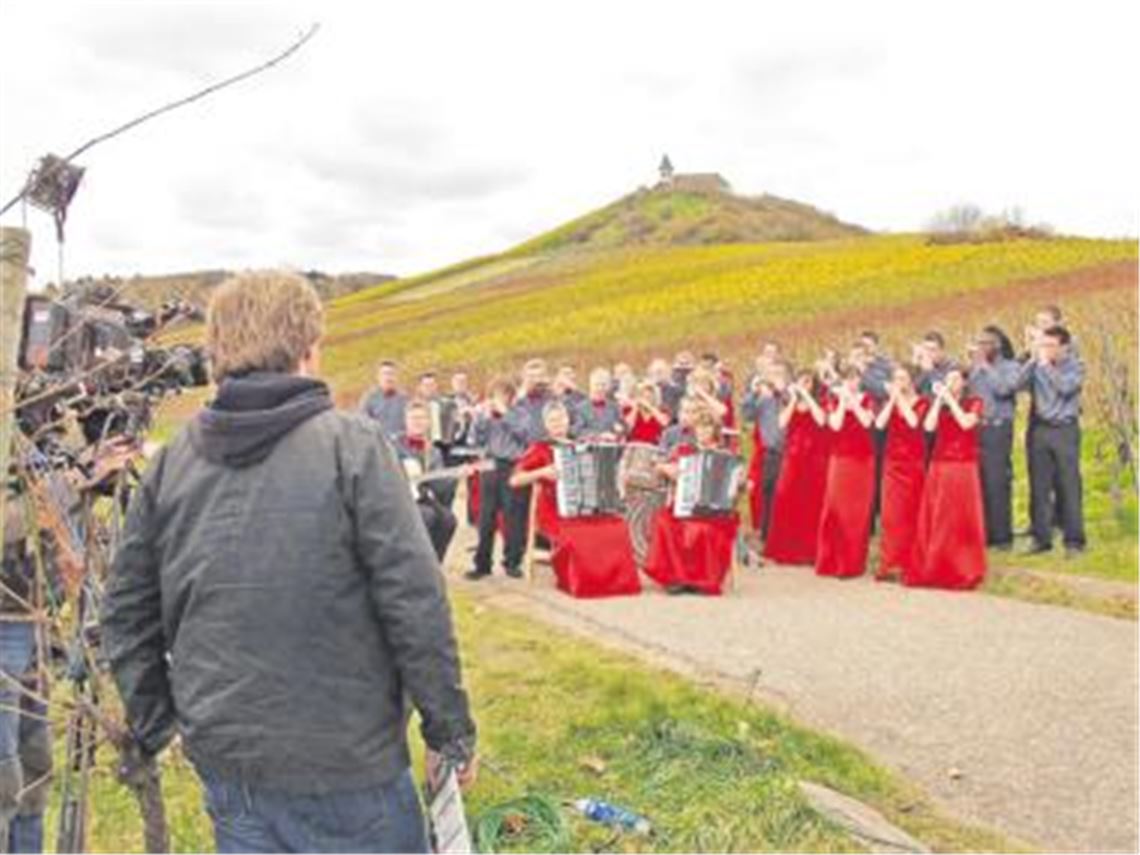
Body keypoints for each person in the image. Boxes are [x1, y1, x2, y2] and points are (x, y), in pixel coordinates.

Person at [102, 271, 477, 854]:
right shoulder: (353, 446)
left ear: (219, 351)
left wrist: (162, 723)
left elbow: (125, 612)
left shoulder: (171, 461)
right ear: (308, 348)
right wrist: (450, 732)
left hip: (233, 761)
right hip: (350, 765)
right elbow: (416, 603)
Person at [510, 403, 640, 598]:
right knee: (578, 534)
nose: (558, 424)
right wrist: (541, 472)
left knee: (616, 526)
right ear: (545, 424)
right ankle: (584, 584)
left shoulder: (582, 445)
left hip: (589, 506)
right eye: (553, 421)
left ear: (568, 420)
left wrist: (619, 477)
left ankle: (614, 583)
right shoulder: (540, 448)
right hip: (555, 510)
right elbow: (514, 480)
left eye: (561, 419)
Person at [1, 490, 53, 854]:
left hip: (33, 617)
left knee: (35, 767)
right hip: (4, 621)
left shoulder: (39, 433)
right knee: (3, 777)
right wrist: (70, 485)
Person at [645, 411, 740, 595]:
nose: (703, 432)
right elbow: (657, 466)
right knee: (664, 522)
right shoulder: (683, 451)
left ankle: (702, 581)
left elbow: (740, 483)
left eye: (707, 427)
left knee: (703, 530)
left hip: (715, 511)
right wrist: (666, 468)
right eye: (700, 428)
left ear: (715, 431)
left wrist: (741, 480)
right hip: (685, 505)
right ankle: (676, 579)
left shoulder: (726, 455)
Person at [908, 368, 987, 589]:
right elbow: (928, 426)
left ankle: (961, 565)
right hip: (940, 464)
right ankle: (935, 563)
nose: (950, 382)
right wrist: (938, 401)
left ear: (963, 383)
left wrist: (951, 401)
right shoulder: (941, 404)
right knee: (939, 515)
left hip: (963, 466)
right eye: (947, 379)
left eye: (954, 379)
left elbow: (966, 423)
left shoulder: (975, 402)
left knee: (959, 516)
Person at [1015, 325, 1086, 555]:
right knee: (1039, 485)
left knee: (1068, 485)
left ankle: (1074, 541)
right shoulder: (1037, 364)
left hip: (1064, 429)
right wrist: (1032, 359)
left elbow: (1065, 388)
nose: (1046, 350)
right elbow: (1016, 385)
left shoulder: (1076, 366)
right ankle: (1041, 538)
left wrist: (1046, 365)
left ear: (1064, 346)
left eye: (1050, 346)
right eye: (1043, 344)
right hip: (1041, 429)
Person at [763, 369, 831, 566]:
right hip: (793, 457)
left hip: (814, 459)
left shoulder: (820, 402)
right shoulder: (787, 401)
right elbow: (782, 422)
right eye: (801, 381)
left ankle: (809, 551)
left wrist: (808, 397)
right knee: (786, 499)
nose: (804, 385)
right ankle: (785, 550)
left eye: (808, 382)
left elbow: (821, 420)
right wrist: (793, 400)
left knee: (811, 502)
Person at [815, 366, 876, 578]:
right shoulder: (833, 399)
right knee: (836, 507)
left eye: (855, 378)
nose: (852, 382)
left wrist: (854, 401)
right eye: (848, 379)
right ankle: (832, 560)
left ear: (860, 380)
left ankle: (852, 563)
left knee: (856, 512)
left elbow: (867, 422)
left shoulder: (867, 398)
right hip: (840, 459)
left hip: (862, 460)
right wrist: (843, 400)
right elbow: (835, 424)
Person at [470, 377, 531, 579]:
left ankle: (512, 562)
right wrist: (482, 419)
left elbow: (524, 436)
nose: (499, 399)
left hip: (512, 465)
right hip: (490, 465)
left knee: (513, 517)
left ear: (511, 397)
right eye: (496, 394)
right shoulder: (488, 414)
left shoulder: (520, 413)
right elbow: (476, 439)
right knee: (486, 517)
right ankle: (482, 564)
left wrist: (505, 414)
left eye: (503, 394)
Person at [874, 365, 929, 580]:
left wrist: (900, 400)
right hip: (892, 464)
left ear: (912, 381)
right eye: (896, 379)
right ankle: (889, 563)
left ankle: (909, 562)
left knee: (910, 514)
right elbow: (879, 424)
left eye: (903, 379)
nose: (899, 383)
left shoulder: (923, 402)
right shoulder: (892, 402)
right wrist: (892, 401)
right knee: (891, 515)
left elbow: (914, 422)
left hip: (913, 464)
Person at [969, 326, 1019, 549]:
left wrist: (986, 367)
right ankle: (984, 533)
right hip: (978, 428)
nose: (980, 347)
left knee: (997, 480)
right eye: (978, 342)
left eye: (985, 343)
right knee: (979, 481)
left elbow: (1004, 389)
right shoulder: (975, 369)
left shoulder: (1010, 367)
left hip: (998, 428)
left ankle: (1002, 536)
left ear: (997, 345)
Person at [394, 401, 462, 561]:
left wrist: (453, 477)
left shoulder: (433, 451)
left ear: (428, 422)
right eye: (414, 418)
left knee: (448, 520)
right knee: (427, 517)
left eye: (422, 418)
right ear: (406, 421)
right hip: (399, 498)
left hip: (422, 497)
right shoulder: (393, 445)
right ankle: (414, 564)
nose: (418, 422)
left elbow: (439, 485)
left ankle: (434, 564)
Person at [741, 360, 788, 539]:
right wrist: (754, 391)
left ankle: (782, 535)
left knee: (784, 496)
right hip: (771, 453)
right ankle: (766, 536)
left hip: (791, 453)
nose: (774, 379)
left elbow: (790, 400)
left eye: (777, 374)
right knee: (767, 493)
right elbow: (747, 413)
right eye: (771, 375)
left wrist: (781, 389)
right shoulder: (764, 400)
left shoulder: (790, 394)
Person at [359, 359, 408, 439]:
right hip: (377, 444)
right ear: (378, 377)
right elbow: (363, 426)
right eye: (385, 374)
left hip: (399, 445)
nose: (389, 378)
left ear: (397, 377)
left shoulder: (405, 399)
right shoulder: (369, 399)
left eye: (392, 374)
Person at [572, 368, 624, 440]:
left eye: (603, 385)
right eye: (597, 384)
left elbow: (622, 428)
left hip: (611, 449)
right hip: (588, 449)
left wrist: (620, 430)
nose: (600, 388)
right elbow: (576, 431)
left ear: (608, 386)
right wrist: (599, 435)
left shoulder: (615, 407)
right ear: (590, 385)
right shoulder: (580, 408)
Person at [624, 381, 670, 445]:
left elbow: (664, 423)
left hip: (653, 446)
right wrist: (636, 408)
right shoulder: (630, 409)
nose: (646, 399)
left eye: (649, 397)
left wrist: (650, 407)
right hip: (635, 445)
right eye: (644, 396)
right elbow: (628, 425)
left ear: (655, 398)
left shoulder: (662, 410)